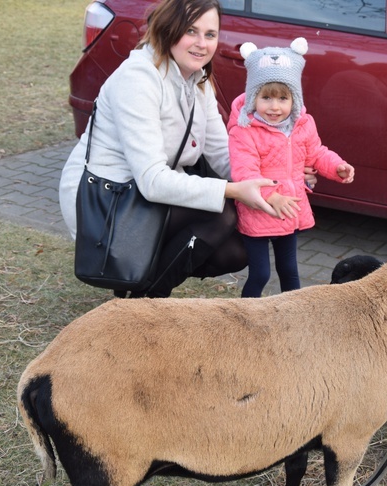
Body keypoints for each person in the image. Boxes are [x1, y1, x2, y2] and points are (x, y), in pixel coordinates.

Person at [58, 0, 315, 298]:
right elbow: (153, 181)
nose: (201, 44)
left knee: (236, 250)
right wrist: (231, 191)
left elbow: (223, 153)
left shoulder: (197, 79)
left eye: (210, 34)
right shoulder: (137, 79)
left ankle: (145, 285)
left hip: (145, 197)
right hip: (108, 203)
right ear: (169, 29)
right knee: (220, 213)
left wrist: (282, 175)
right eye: (191, 31)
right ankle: (147, 300)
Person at [227, 38, 355, 298]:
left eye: (283, 98)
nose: (275, 107)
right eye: (266, 98)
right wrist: (270, 196)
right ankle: (243, 317)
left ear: (294, 99)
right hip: (259, 208)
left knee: (290, 270)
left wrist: (337, 167)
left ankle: (292, 319)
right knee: (260, 273)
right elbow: (244, 171)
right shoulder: (245, 131)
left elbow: (316, 152)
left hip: (290, 209)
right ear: (253, 97)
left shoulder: (302, 124)